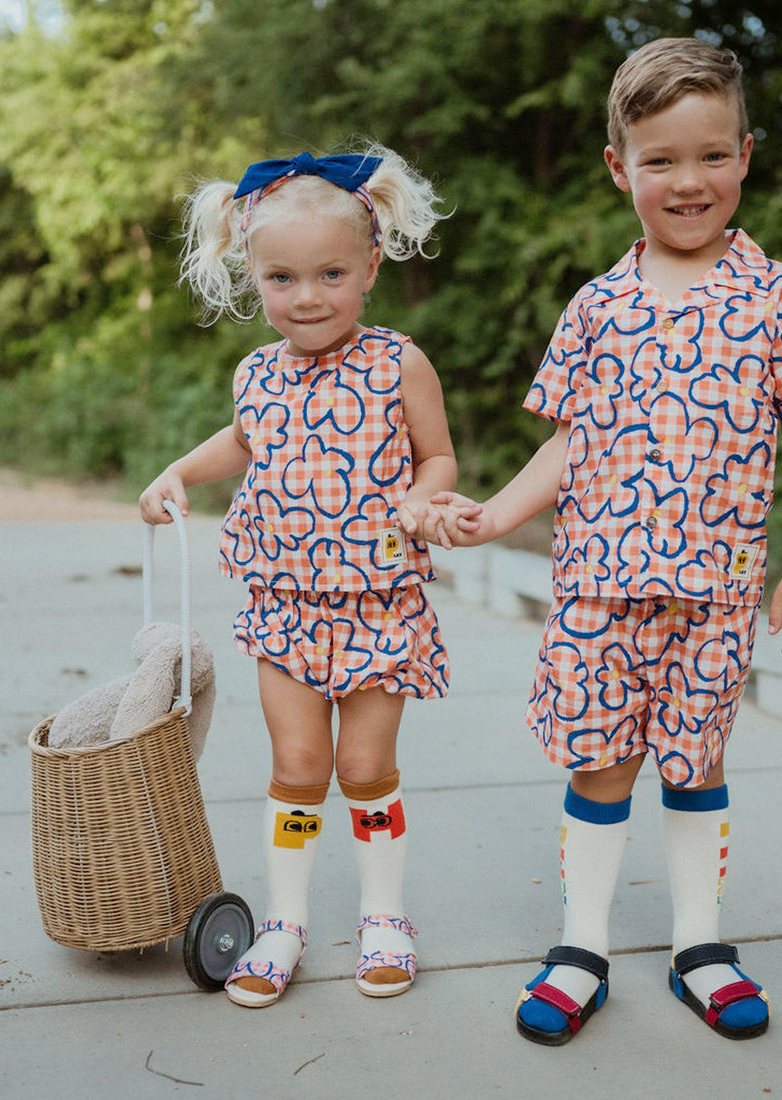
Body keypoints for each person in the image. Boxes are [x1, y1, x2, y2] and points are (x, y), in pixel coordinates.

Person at [432, 37, 782, 1043]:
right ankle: (580, 943)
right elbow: (570, 441)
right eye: (660, 160)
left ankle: (697, 944)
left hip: (713, 594)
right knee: (599, 765)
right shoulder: (596, 307)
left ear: (745, 155)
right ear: (618, 168)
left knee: (694, 762)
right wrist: (494, 514)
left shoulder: (775, 296)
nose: (687, 180)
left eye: (710, 155)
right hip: (597, 592)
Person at [140, 145, 455, 1008]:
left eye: (329, 274)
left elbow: (438, 456)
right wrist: (177, 472)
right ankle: (283, 923)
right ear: (254, 273)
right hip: (282, 606)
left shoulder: (399, 364)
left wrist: (426, 503)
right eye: (282, 277)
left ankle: (385, 917)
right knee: (299, 761)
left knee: (363, 762)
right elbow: (243, 440)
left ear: (369, 267)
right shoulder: (257, 374)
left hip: (380, 605)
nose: (307, 296)